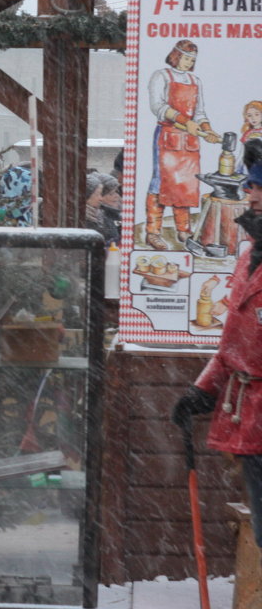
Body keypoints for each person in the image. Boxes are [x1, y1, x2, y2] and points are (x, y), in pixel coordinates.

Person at [172, 142, 262, 551]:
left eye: (260, 186)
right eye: (252, 185)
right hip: (252, 417)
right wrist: (204, 390)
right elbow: (236, 339)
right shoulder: (250, 255)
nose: (251, 194)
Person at [146, 39, 221, 251]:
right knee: (160, 184)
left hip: (190, 140)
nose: (189, 63)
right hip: (168, 136)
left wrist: (207, 129)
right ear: (176, 56)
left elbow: (200, 112)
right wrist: (184, 121)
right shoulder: (161, 76)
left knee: (186, 185)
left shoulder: (195, 81)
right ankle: (153, 232)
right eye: (186, 58)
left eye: (192, 60)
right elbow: (158, 106)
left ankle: (184, 230)